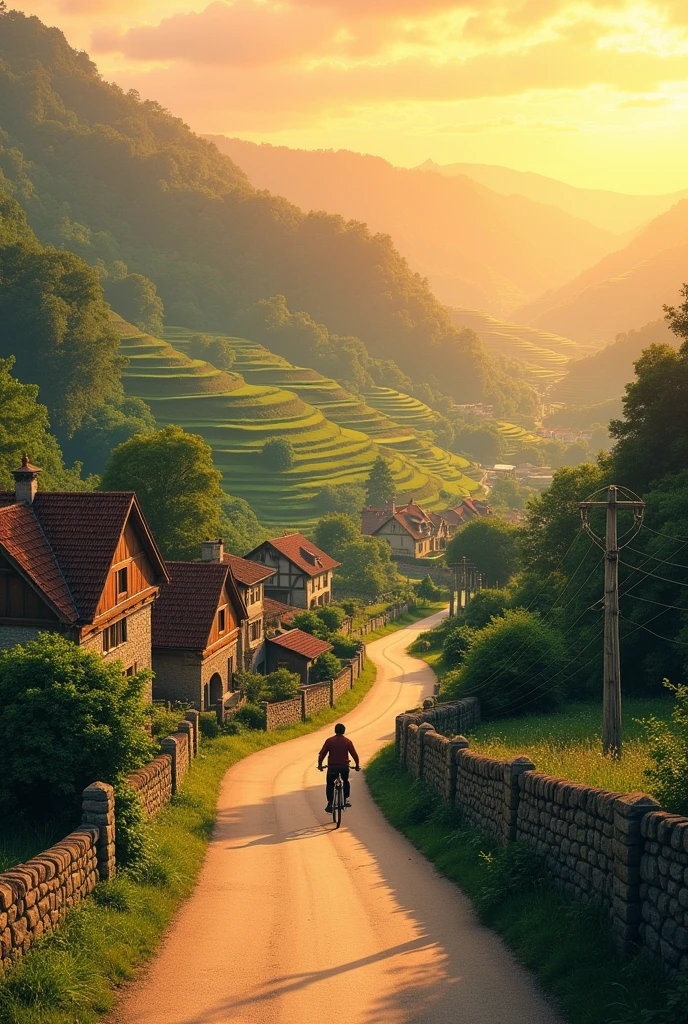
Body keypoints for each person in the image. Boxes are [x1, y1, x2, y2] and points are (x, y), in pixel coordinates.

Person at [317, 722, 360, 813]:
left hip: (332, 767)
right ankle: (346, 799)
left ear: (335, 731)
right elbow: (355, 755)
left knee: (330, 783)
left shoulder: (329, 741)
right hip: (344, 767)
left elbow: (322, 754)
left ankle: (329, 803)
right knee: (345, 781)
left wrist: (320, 765)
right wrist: (356, 765)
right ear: (344, 731)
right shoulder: (347, 741)